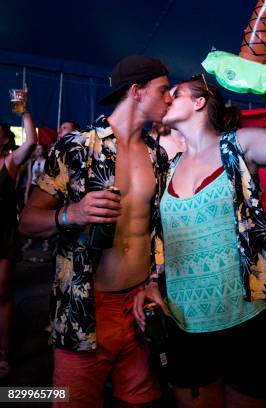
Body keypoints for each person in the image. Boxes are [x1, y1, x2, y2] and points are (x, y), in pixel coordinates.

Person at [133, 11, 266, 408]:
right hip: (185, 323)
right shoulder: (166, 166)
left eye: (177, 93)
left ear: (201, 102)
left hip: (248, 319)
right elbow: (160, 240)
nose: (168, 97)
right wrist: (152, 282)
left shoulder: (238, 145)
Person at [20, 54, 172, 406]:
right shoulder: (77, 147)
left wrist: (152, 283)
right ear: (136, 91)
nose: (169, 98)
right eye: (163, 90)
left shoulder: (156, 155)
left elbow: (157, 230)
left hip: (138, 306)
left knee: (142, 401)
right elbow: (28, 221)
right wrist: (69, 214)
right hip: (86, 310)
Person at [0, 112, 36, 379]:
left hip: (2, 234)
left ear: (3, 139)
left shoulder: (9, 162)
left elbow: (31, 142)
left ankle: (3, 355)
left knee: (1, 295)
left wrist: (24, 112)